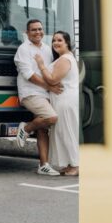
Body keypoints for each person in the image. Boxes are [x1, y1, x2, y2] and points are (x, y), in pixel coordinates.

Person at [13, 19, 63, 176]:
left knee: (42, 130)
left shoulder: (48, 49)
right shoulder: (23, 49)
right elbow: (28, 75)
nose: (38, 32)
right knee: (52, 118)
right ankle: (26, 128)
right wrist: (49, 87)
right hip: (30, 93)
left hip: (45, 94)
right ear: (27, 33)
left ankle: (44, 165)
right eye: (33, 30)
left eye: (40, 29)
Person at [34, 31, 79, 175]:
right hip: (62, 100)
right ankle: (70, 164)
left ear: (67, 43)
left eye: (60, 40)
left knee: (67, 133)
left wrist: (41, 65)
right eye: (54, 40)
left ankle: (76, 165)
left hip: (65, 101)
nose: (56, 43)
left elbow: (53, 79)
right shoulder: (64, 58)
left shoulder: (65, 59)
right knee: (62, 132)